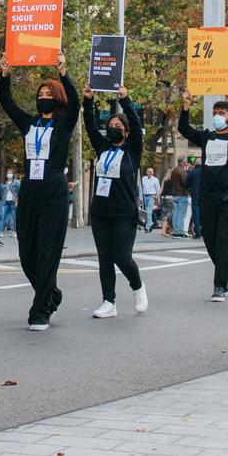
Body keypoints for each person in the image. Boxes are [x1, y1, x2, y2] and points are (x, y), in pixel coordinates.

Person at [0, 61, 80, 330]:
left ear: (57, 99)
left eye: (48, 95)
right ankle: (52, 294)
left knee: (48, 252)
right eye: (40, 95)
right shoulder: (29, 123)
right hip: (30, 188)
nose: (43, 99)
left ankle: (40, 310)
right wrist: (5, 75)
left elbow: (76, 103)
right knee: (27, 253)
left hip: (54, 188)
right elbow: (7, 103)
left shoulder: (63, 123)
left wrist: (64, 73)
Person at [178, 91, 228, 300]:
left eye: (222, 112)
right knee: (210, 238)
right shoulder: (206, 137)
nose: (218, 116)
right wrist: (185, 107)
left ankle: (219, 285)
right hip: (208, 195)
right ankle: (225, 272)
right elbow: (183, 129)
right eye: (215, 112)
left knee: (224, 239)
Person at [82, 89, 146, 317]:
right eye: (111, 125)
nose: (113, 129)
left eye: (118, 126)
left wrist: (125, 99)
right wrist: (87, 100)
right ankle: (109, 302)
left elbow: (138, 127)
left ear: (126, 132)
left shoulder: (133, 150)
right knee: (104, 258)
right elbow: (89, 127)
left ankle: (137, 286)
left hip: (124, 212)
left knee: (122, 257)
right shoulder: (103, 148)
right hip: (100, 212)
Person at [139, 167, 162, 233]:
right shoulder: (143, 179)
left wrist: (158, 199)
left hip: (152, 196)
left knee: (149, 210)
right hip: (144, 196)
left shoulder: (155, 180)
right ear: (147, 172)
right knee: (146, 211)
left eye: (152, 172)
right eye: (149, 171)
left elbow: (158, 189)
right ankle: (150, 223)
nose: (151, 173)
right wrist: (141, 198)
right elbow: (141, 188)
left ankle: (148, 226)